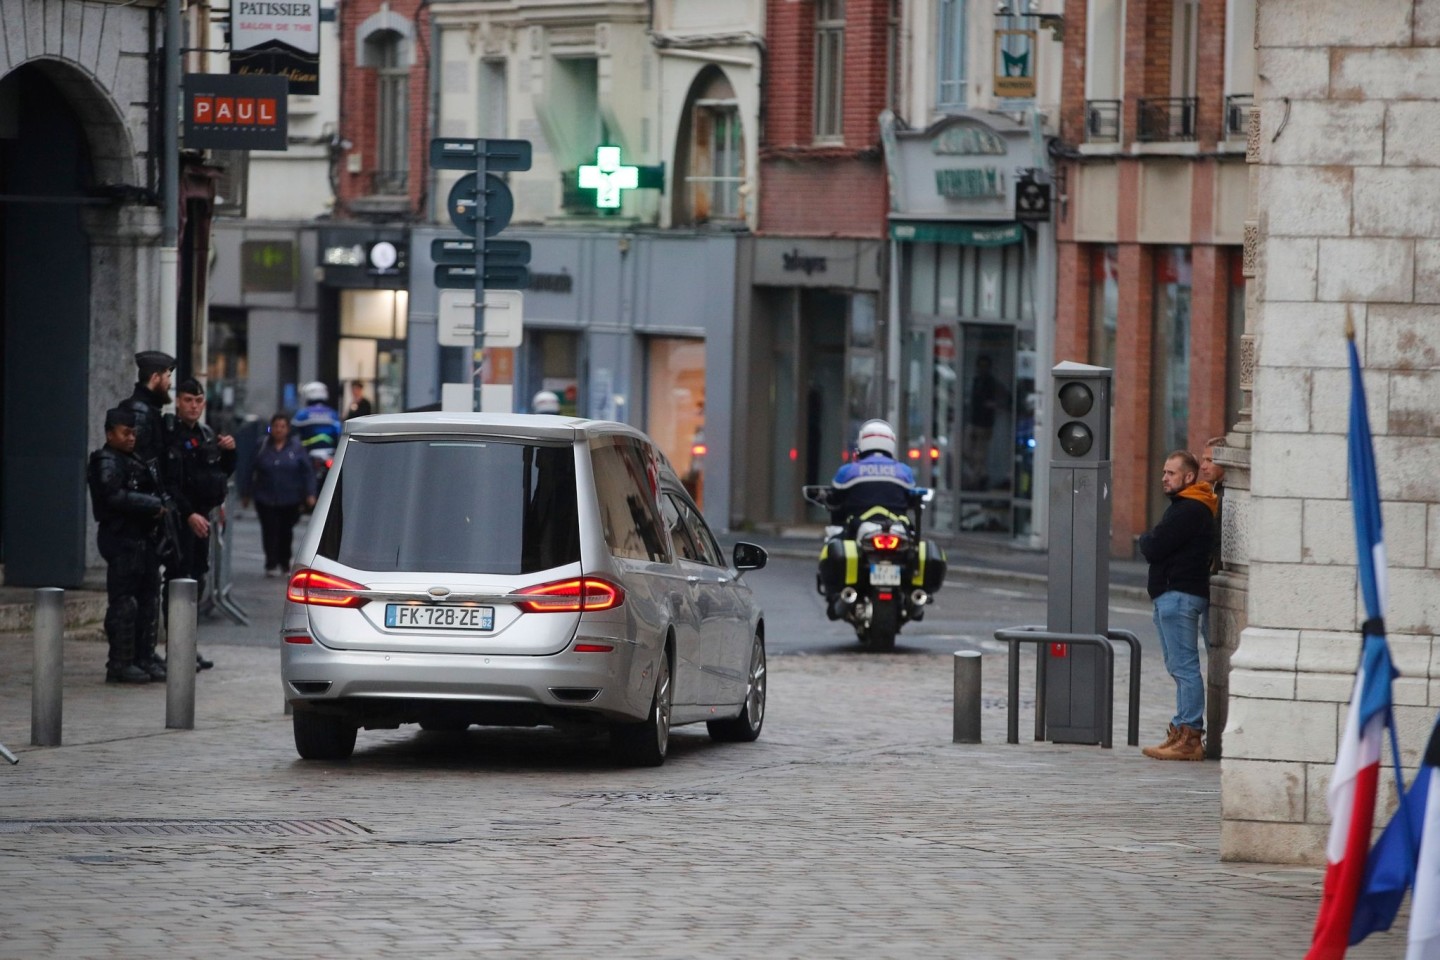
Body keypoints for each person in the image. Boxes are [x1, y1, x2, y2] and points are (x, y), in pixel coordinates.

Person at [1137, 450, 1218, 762]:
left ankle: (1189, 736)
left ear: (1189, 477)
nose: (1164, 478)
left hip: (1179, 594)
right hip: (1175, 593)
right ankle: (1182, 730)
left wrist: (1146, 539)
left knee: (1184, 667)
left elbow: (1154, 545)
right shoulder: (1188, 507)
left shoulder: (1189, 509)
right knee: (1179, 666)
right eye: (1164, 472)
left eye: (1171, 473)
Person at [87, 407, 167, 684]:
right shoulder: (106, 460)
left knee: (148, 600)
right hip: (121, 539)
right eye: (125, 432)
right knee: (124, 603)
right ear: (110, 434)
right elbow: (112, 496)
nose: (131, 437)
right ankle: (120, 662)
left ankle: (142, 656)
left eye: (133, 432)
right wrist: (151, 505)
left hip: (141, 540)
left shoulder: (134, 459)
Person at [165, 378, 237, 671]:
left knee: (196, 582)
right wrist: (187, 514)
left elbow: (217, 475)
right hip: (179, 521)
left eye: (198, 402)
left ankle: (188, 646)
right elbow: (169, 482)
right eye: (188, 401)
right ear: (178, 402)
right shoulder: (169, 434)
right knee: (177, 581)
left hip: (202, 519)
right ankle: (175, 650)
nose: (193, 407)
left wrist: (230, 452)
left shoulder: (206, 434)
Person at [118, 350, 180, 678]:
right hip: (134, 521)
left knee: (148, 589)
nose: (169, 382)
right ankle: (125, 659)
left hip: (148, 516)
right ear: (155, 378)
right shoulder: (140, 413)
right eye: (167, 376)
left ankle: (144, 654)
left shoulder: (150, 411)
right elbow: (139, 468)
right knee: (130, 594)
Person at [818, 420, 918, 618]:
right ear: (891, 443)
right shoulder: (904, 471)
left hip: (860, 529)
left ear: (862, 443)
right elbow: (913, 499)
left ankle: (837, 595)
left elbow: (834, 499)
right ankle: (914, 595)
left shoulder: (848, 471)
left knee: (833, 544)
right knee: (914, 548)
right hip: (897, 529)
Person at [243, 413, 317, 577]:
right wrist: (246, 493)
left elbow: (307, 472)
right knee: (269, 530)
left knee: (285, 531)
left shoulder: (296, 448)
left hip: (290, 498)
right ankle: (271, 562)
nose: (279, 430)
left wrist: (310, 493)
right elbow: (250, 469)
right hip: (265, 497)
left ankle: (284, 561)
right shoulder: (262, 445)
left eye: (282, 427)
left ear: (287, 429)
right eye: (276, 426)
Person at [962, 355, 1009, 490]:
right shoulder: (976, 381)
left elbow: (1005, 398)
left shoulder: (992, 383)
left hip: (984, 424)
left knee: (979, 455)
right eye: (980, 366)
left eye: (984, 366)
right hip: (973, 421)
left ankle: (978, 481)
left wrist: (994, 405)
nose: (982, 369)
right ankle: (980, 476)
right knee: (966, 451)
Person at [292, 381, 342, 456]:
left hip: (307, 452)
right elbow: (340, 433)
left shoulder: (303, 414)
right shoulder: (332, 413)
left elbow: (292, 431)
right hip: (331, 452)